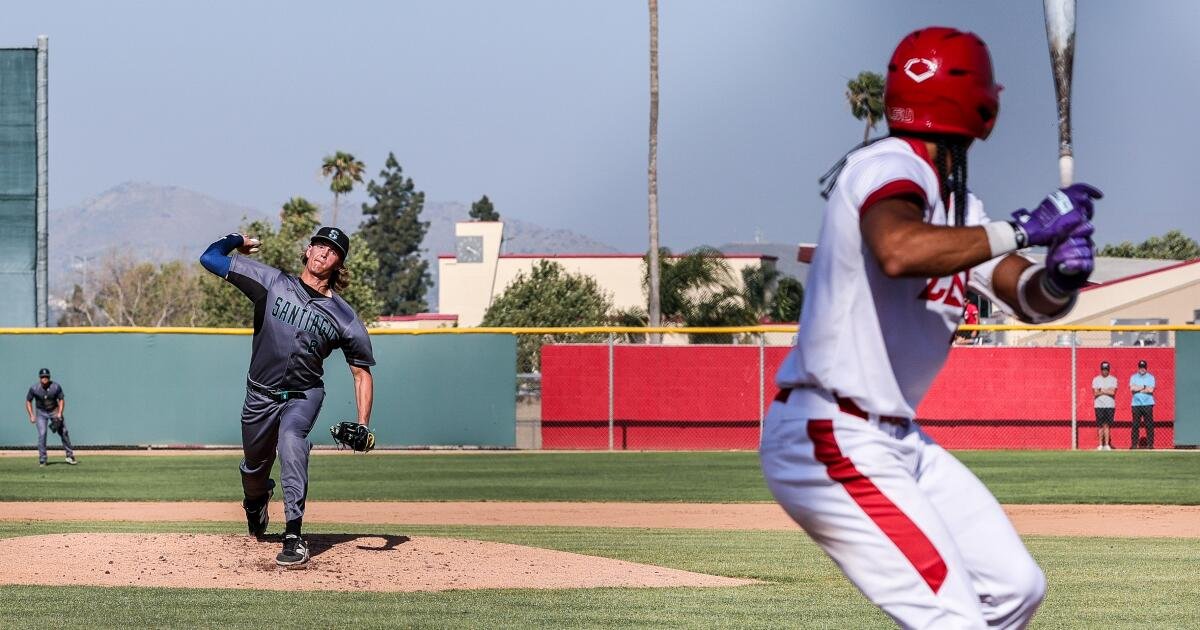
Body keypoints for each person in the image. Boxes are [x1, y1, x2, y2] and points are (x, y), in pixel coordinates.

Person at [761, 27, 1101, 628]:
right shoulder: (890, 164)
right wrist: (1022, 230)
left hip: (897, 440)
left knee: (1014, 588)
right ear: (981, 107)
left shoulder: (959, 210)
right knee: (951, 617)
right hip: (831, 434)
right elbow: (897, 248)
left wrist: (1060, 280)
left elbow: (1024, 295)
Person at [199, 226, 376, 566]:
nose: (324, 252)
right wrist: (238, 240)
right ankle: (256, 500)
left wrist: (363, 423)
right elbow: (210, 258)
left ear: (339, 263)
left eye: (333, 250)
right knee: (254, 470)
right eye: (320, 245)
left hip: (303, 394)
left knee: (292, 441)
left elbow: (361, 372)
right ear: (308, 251)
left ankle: (294, 534)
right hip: (260, 395)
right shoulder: (272, 282)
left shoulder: (345, 317)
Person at [26, 368, 77, 467]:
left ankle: (69, 456)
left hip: (54, 411)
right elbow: (28, 401)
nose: (44, 379)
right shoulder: (34, 388)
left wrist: (60, 413)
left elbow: (61, 399)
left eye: (46, 377)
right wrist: (31, 415)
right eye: (42, 377)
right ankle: (42, 459)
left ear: (49, 377)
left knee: (64, 432)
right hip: (41, 413)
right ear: (39, 378)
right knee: (42, 434)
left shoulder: (56, 387)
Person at [1129, 359, 1156, 449]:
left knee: (1149, 425)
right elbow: (1132, 388)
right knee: (1135, 425)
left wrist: (1139, 389)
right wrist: (1144, 387)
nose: (1142, 369)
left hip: (1148, 404)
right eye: (1140, 367)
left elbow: (1151, 390)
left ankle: (1150, 444)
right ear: (1138, 367)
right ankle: (1134, 444)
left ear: (1146, 368)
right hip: (1136, 405)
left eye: (1144, 367)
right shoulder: (1133, 377)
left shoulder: (1151, 377)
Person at [1092, 361, 1116, 450]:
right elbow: (1095, 393)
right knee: (1100, 425)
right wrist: (1107, 390)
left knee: (1107, 425)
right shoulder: (1096, 379)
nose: (1105, 371)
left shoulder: (1113, 379)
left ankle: (1106, 445)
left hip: (1109, 406)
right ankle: (1100, 445)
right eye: (1103, 369)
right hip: (1099, 405)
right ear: (1101, 370)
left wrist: (1101, 390)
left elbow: (1113, 392)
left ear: (1108, 370)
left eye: (1106, 369)